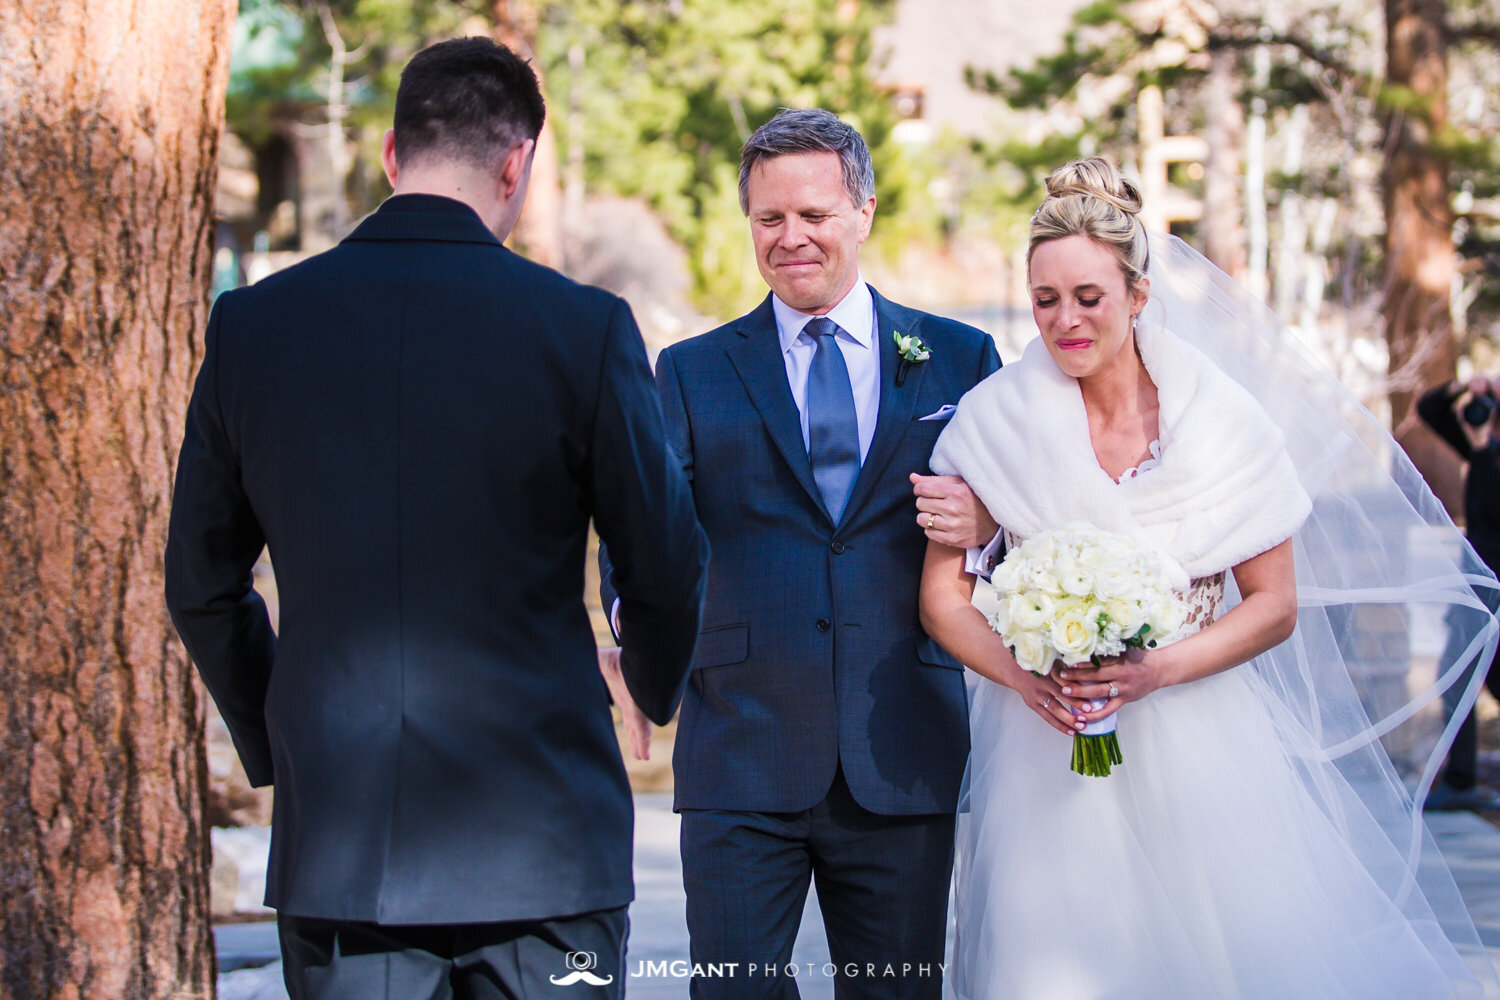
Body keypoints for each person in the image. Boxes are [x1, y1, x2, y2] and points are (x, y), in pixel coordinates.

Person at [165, 37, 708, 1000]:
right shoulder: (582, 330)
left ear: (389, 155)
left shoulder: (253, 327)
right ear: (517, 165)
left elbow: (202, 585)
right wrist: (651, 688)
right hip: (545, 842)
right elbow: (665, 562)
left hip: (344, 839)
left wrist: (282, 733)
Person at [920, 157, 1500, 999]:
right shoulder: (995, 421)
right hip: (1041, 746)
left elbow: (1275, 606)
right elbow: (942, 599)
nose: (1066, 321)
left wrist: (1159, 668)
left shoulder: (1222, 424)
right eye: (1046, 300)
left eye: (1090, 297)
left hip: (1199, 734)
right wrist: (1023, 674)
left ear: (1138, 295)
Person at [601, 108, 999, 1000]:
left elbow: (1026, 529)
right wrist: (637, 634)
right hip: (739, 744)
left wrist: (991, 529)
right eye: (768, 219)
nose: (791, 239)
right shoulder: (692, 370)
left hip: (902, 746)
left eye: (813, 215)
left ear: (862, 211)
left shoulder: (959, 359)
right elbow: (642, 534)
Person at [1419, 375, 1500, 810]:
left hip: (1492, 586)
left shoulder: (1486, 449)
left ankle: (1464, 782)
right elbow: (1430, 408)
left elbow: (1490, 510)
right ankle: (1462, 781)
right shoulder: (1481, 436)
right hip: (1481, 584)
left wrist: (1485, 450)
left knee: (1464, 675)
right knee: (1458, 677)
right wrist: (1464, 386)